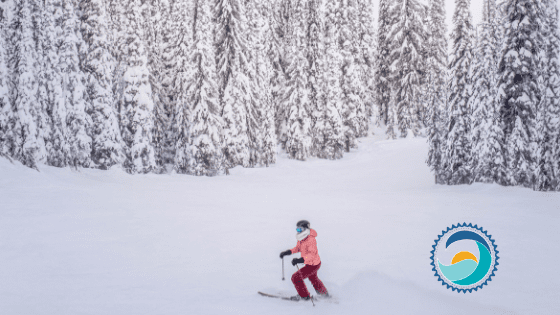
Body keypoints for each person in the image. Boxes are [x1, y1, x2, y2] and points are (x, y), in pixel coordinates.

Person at [279, 220, 329, 301]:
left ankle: (304, 296)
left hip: (313, 264)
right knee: (313, 277)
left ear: (306, 229)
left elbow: (311, 254)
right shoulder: (302, 238)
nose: (298, 231)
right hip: (311, 263)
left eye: (300, 229)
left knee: (296, 277)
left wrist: (300, 260)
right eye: (297, 229)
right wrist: (287, 252)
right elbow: (298, 248)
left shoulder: (310, 240)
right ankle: (323, 293)